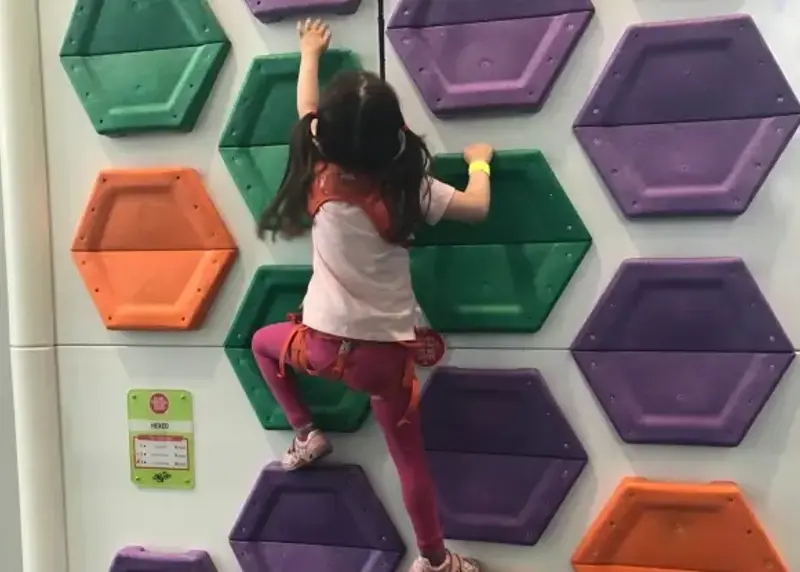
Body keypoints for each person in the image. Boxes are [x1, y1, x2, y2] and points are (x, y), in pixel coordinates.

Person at [251, 18, 493, 572]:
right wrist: (479, 161)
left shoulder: (316, 171)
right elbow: (477, 208)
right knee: (410, 461)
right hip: (383, 363)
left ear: (324, 136)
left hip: (318, 347)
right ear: (395, 136)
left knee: (263, 344)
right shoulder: (411, 187)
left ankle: (306, 433)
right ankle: (435, 561)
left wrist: (310, 53)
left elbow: (305, 107)